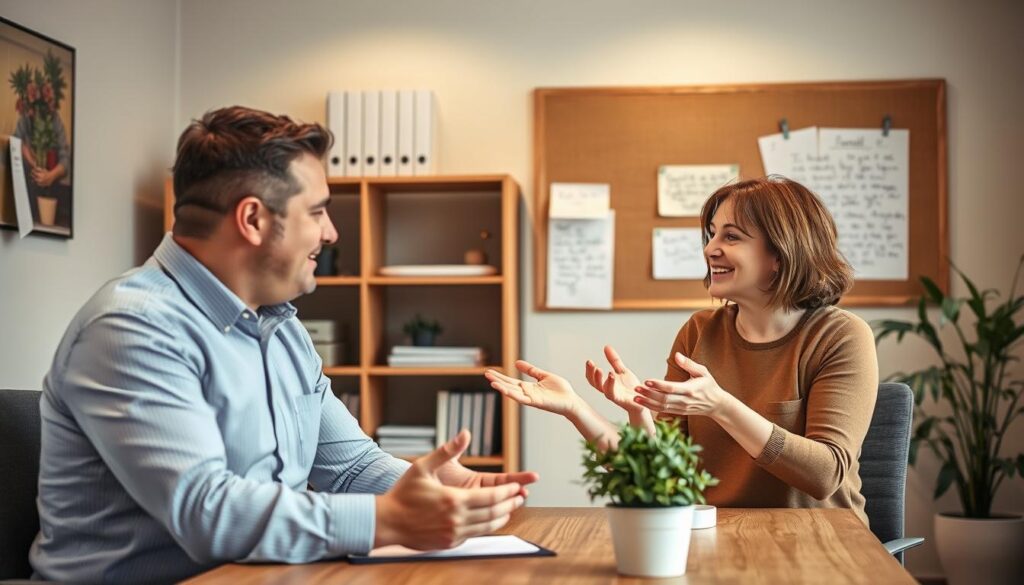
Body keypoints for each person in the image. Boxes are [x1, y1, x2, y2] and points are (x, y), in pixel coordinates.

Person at [30, 106, 537, 584]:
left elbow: (351, 466)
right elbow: (208, 512)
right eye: (317, 212)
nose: (331, 233)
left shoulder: (282, 327)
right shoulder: (134, 328)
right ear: (253, 220)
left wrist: (428, 490)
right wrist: (390, 519)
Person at [487, 176, 877, 526]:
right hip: (715, 538)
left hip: (823, 544)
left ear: (780, 255)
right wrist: (581, 409)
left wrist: (720, 405)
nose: (711, 249)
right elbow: (663, 470)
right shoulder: (700, 332)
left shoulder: (840, 337)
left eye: (732, 236)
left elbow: (825, 475)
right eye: (711, 235)